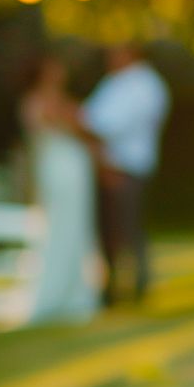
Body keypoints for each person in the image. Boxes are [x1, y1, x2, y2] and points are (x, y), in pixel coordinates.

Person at [81, 42, 170, 307]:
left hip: (128, 169)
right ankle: (111, 289)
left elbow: (107, 125)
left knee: (129, 232)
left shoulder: (145, 85)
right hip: (107, 168)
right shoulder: (114, 83)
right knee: (108, 233)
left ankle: (138, 287)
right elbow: (90, 117)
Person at [19, 54, 100, 325]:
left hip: (74, 167)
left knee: (78, 227)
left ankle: (77, 292)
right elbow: (69, 126)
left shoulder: (63, 100)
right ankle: (55, 293)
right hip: (58, 168)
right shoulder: (37, 101)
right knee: (59, 227)